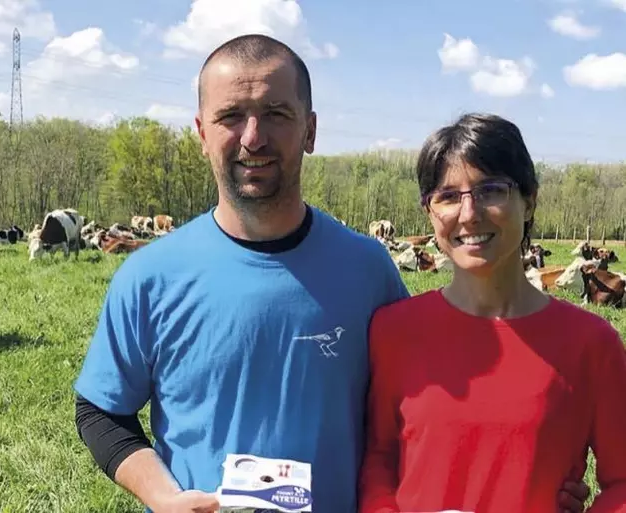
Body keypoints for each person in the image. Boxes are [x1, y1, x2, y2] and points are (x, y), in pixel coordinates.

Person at [72, 35, 591, 513]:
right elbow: (100, 412)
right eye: (231, 115)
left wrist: (535, 481)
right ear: (202, 133)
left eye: (276, 113)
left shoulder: (367, 269)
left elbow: (426, 414)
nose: (254, 137)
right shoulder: (150, 277)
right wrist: (163, 496)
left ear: (311, 130)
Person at [358, 113, 626, 513]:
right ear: (429, 211)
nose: (469, 214)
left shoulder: (591, 343)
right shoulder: (392, 331)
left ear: (529, 199)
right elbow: (378, 459)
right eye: (448, 196)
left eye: (491, 190)